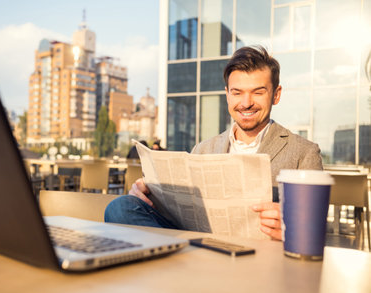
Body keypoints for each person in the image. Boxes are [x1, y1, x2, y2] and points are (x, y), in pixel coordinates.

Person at [105, 46, 322, 241]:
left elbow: (317, 229)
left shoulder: (305, 152)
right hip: (199, 245)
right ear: (227, 95)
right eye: (237, 93)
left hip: (257, 257)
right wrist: (145, 194)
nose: (246, 103)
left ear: (276, 94)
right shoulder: (203, 149)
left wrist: (292, 228)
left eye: (258, 92)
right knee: (121, 207)